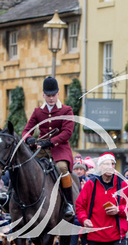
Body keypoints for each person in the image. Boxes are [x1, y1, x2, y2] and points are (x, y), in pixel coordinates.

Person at [22, 76, 75, 219]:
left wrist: (51, 142)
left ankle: (68, 203)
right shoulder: (38, 111)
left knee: (62, 168)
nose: (51, 98)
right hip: (41, 149)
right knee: (24, 166)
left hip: (59, 149)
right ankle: (11, 198)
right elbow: (26, 131)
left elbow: (67, 133)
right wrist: (29, 139)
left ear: (58, 94)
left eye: (53, 95)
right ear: (43, 95)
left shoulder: (66, 110)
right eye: (48, 96)